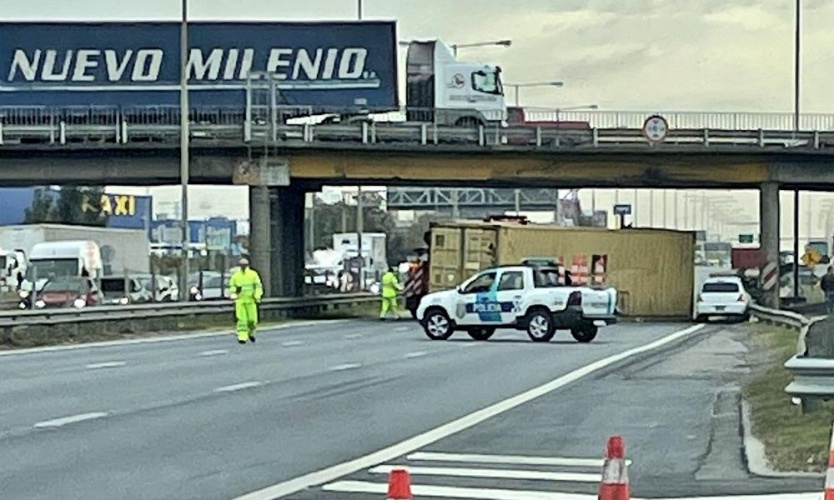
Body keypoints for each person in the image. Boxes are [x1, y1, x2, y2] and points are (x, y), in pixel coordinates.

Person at [228, 257, 263, 344]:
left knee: (252, 320)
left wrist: (257, 295)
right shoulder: (236, 276)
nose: (243, 267)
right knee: (241, 320)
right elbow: (232, 286)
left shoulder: (253, 274)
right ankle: (242, 336)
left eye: (244, 265)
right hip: (240, 301)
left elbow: (258, 286)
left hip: (251, 300)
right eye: (241, 265)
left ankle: (251, 333)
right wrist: (233, 294)